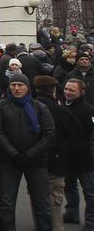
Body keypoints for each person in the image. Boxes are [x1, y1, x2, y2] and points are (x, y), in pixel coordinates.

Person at [0, 73, 55, 231]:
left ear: (28, 87)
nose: (17, 88)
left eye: (20, 85)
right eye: (13, 85)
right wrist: (14, 154)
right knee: (7, 203)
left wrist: (30, 154)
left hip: (36, 161)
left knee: (42, 203)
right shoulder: (0, 106)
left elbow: (49, 134)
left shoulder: (40, 107)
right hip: (10, 160)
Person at [33, 75, 80, 231]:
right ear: (53, 90)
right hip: (57, 161)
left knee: (38, 199)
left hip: (34, 160)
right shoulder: (60, 111)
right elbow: (74, 136)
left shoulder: (29, 108)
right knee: (54, 201)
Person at [63, 77, 94, 227]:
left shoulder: (89, 110)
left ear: (81, 92)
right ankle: (71, 213)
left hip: (85, 158)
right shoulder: (63, 106)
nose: (67, 92)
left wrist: (82, 147)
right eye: (66, 89)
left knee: (90, 192)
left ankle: (91, 221)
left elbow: (91, 135)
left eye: (71, 90)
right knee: (69, 188)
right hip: (67, 157)